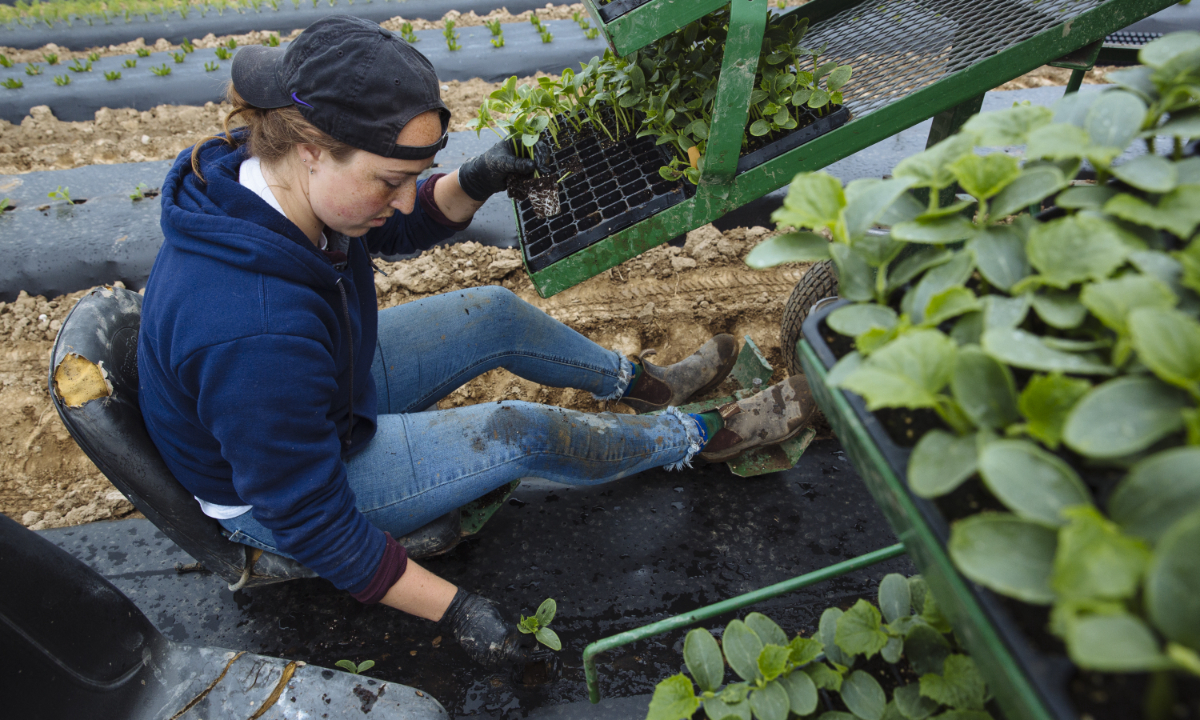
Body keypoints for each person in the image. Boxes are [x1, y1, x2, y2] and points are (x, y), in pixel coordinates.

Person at [138, 15, 817, 671]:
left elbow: (392, 230)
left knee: (492, 311)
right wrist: (456, 610)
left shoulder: (278, 178)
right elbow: (309, 520)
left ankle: (650, 385)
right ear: (313, 147)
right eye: (392, 180)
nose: (403, 201)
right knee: (517, 431)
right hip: (278, 499)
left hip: (325, 389)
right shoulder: (254, 328)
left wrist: (479, 178)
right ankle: (702, 434)